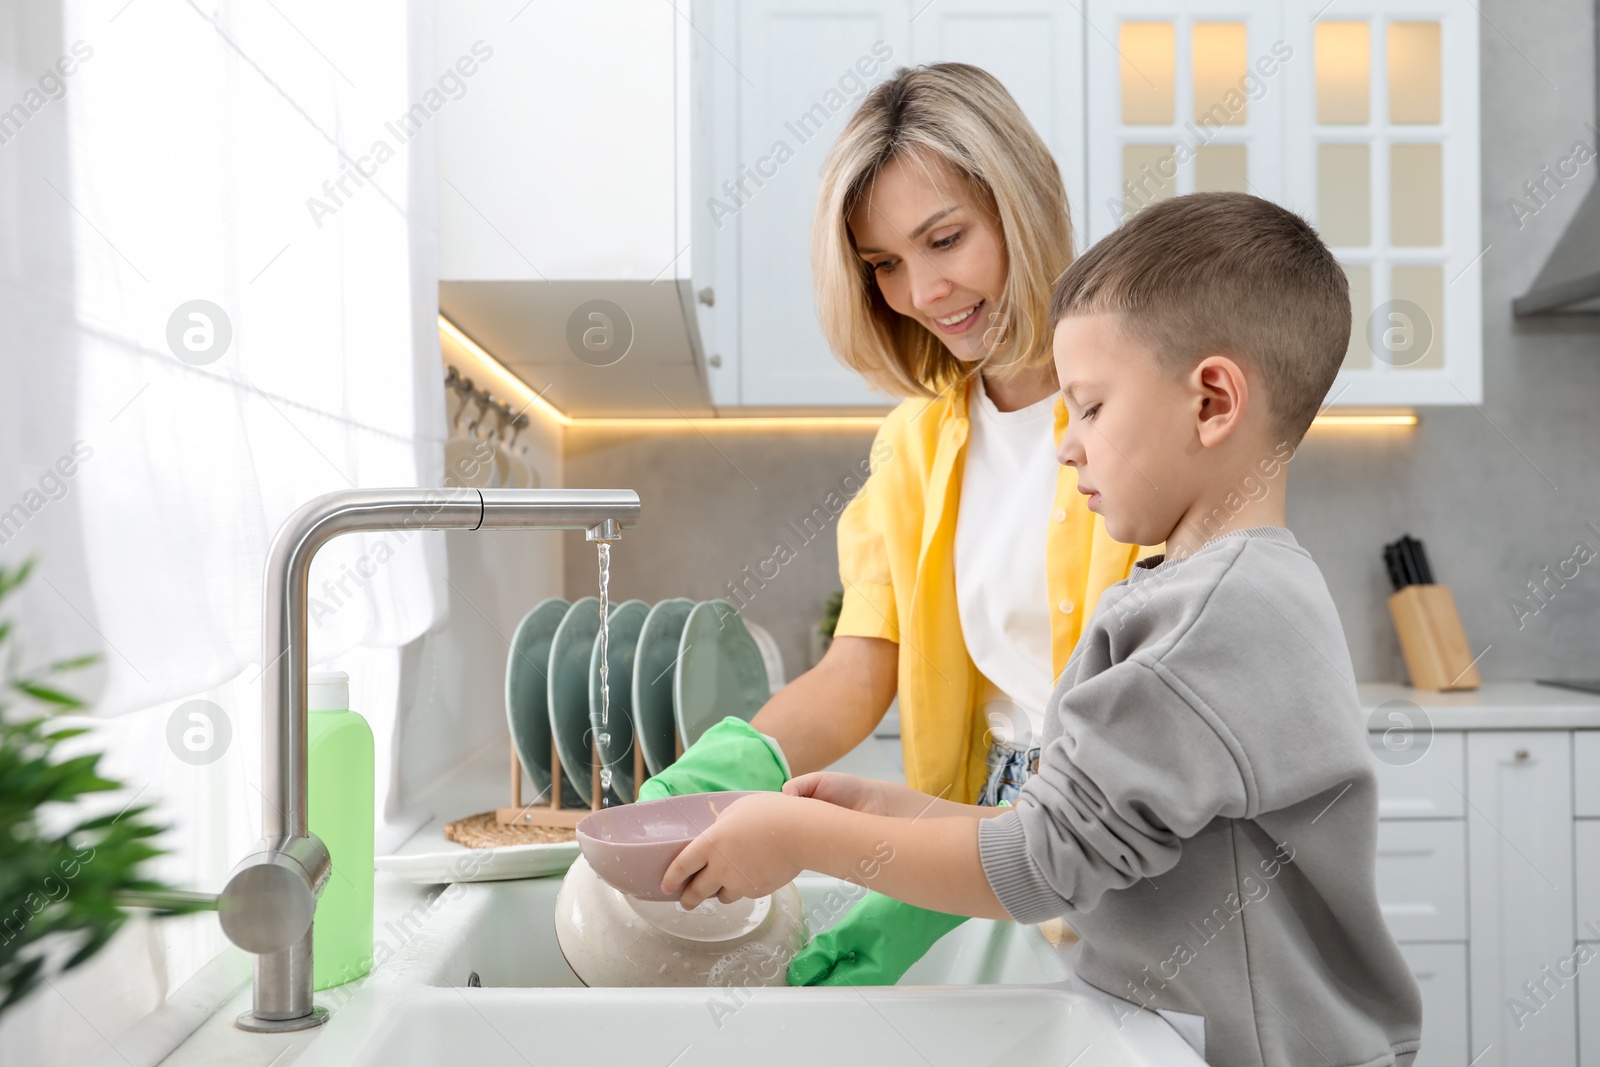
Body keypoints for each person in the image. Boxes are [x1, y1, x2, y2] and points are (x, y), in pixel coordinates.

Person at [660, 192, 1425, 1066]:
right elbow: (1079, 825)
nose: (1067, 444)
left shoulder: (1210, 620)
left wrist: (800, 838)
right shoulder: (1206, 591)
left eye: (1091, 408)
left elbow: (1048, 859)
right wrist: (898, 812)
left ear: (1213, 402)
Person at [637, 63, 1154, 984]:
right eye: (883, 265)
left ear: (1021, 205)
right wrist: (729, 765)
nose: (922, 292)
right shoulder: (912, 445)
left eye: (945, 238)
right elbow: (856, 671)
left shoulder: (1141, 401)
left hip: (1129, 835)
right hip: (992, 842)